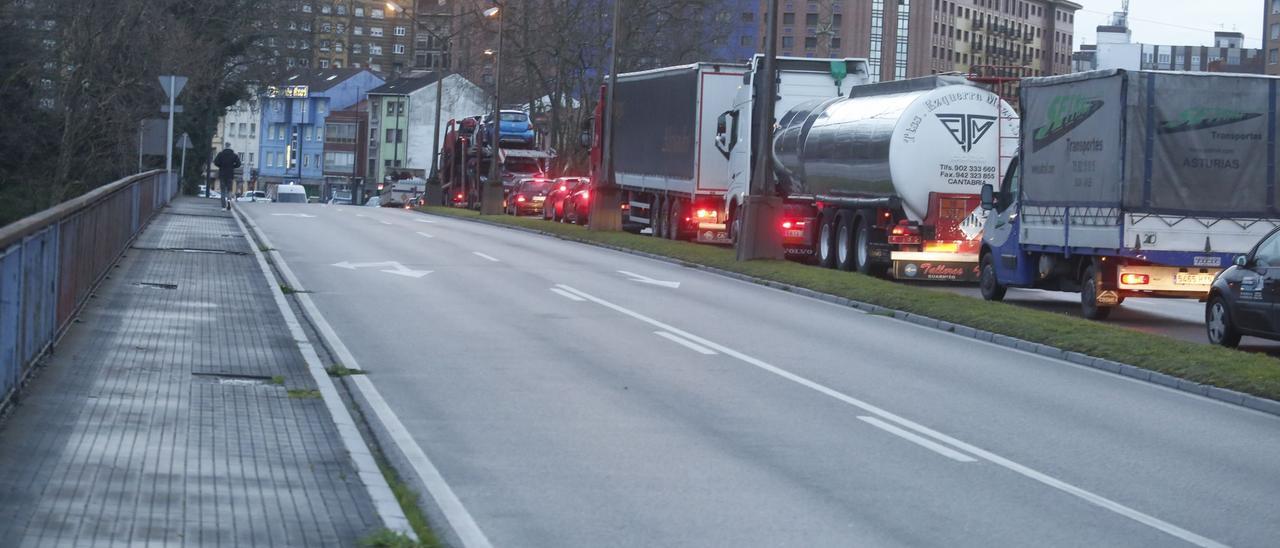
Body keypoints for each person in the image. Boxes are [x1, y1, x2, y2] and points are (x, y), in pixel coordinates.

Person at [213, 144, 242, 210]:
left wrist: (220, 166)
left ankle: (223, 207)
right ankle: (228, 202)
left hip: (222, 175)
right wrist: (233, 166)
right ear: (230, 147)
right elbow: (239, 164)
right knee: (229, 190)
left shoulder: (220, 154)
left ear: (225, 147)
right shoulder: (234, 155)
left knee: (223, 191)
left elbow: (215, 162)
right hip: (230, 175)